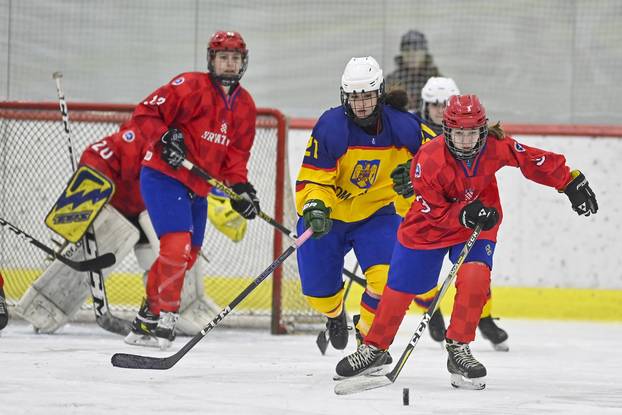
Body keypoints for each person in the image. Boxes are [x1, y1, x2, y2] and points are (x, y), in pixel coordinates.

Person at [335, 95, 598, 389]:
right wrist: (463, 214)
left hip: (480, 222)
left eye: (472, 132)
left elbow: (529, 159)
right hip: (428, 227)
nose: (465, 140)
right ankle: (375, 349)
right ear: (447, 131)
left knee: (476, 276)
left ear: (482, 130)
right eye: (459, 133)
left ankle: (458, 347)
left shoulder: (493, 146)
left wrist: (568, 181)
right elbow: (433, 211)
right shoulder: (429, 159)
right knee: (399, 288)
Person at [15, 106, 246, 335]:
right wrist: (89, 191)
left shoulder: (193, 144)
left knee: (173, 257)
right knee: (85, 264)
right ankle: (45, 308)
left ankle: (171, 312)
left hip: (152, 213)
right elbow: (96, 155)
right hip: (115, 214)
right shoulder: (138, 136)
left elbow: (208, 181)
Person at [127, 30, 259, 350]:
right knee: (176, 247)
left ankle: (148, 315)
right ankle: (166, 320)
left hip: (198, 187)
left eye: (235, 58)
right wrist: (164, 137)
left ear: (243, 62)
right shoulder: (188, 85)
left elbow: (235, 159)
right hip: (163, 175)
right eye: (223, 57)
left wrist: (240, 189)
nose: (229, 63)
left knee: (187, 256)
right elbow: (144, 114)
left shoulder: (245, 106)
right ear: (211, 60)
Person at [295, 56, 435, 354]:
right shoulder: (331, 126)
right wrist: (315, 205)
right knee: (319, 295)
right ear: (344, 96)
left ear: (380, 93)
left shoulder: (403, 126)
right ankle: (334, 314)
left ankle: (368, 345)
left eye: (368, 96)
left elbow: (440, 156)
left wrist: (417, 176)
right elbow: (314, 179)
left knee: (386, 280)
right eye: (354, 97)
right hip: (329, 217)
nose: (360, 104)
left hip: (376, 214)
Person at [401, 76, 510, 350]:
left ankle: (484, 318)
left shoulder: (468, 127)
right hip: (423, 207)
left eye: (444, 104)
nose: (439, 109)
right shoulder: (411, 129)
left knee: (475, 268)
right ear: (424, 105)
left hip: (462, 208)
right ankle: (431, 308)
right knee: (420, 267)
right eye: (433, 104)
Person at [385, 30, 441, 113]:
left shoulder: (436, 79)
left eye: (416, 50)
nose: (412, 55)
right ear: (402, 54)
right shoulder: (392, 80)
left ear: (424, 53)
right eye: (407, 50)